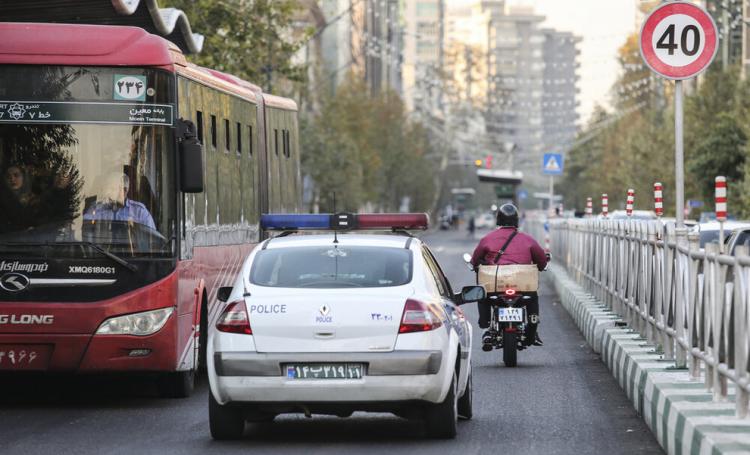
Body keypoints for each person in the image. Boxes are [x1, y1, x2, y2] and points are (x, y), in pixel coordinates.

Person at [470, 203, 548, 347]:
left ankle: (486, 322)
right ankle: (532, 324)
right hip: (523, 287)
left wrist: (475, 266)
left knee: (482, 292)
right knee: (532, 297)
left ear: (498, 219)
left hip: (495, 287)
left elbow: (475, 260)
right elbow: (542, 261)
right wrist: (542, 266)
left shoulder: (487, 239)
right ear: (517, 220)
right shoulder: (528, 239)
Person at [83, 173, 156, 230]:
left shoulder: (139, 212)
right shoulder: (97, 208)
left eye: (112, 189)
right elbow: (85, 226)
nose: (107, 192)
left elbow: (151, 239)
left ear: (124, 191)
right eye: (106, 188)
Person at [1, 164, 42, 232]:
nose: (12, 179)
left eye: (16, 175)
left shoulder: (35, 200)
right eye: (8, 176)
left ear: (24, 177)